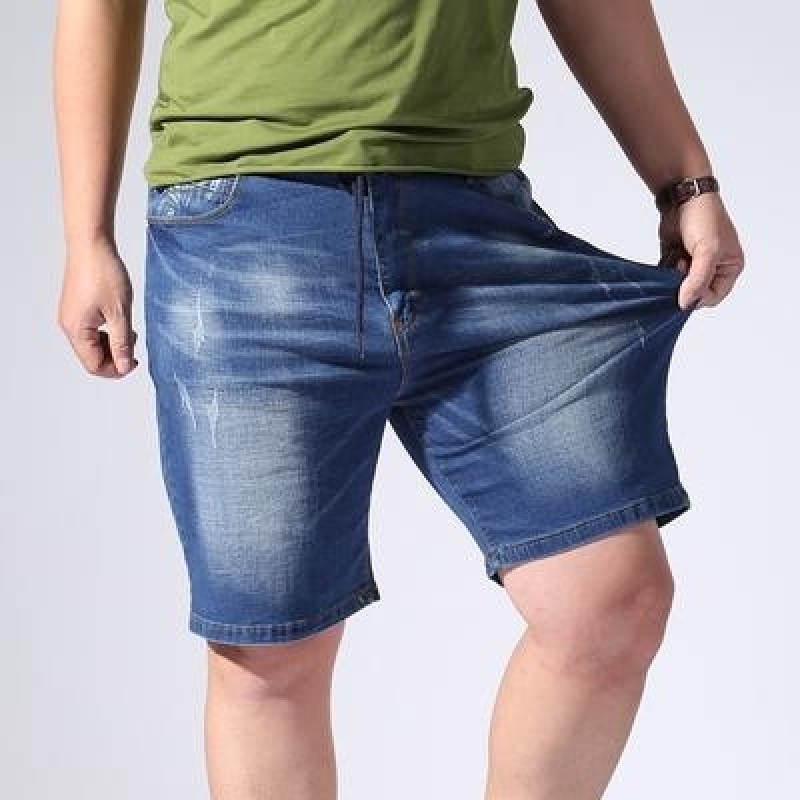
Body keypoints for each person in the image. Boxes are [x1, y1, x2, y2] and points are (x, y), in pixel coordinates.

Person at [53, 1, 745, 798]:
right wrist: (85, 237)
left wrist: (684, 179)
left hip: (479, 227)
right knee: (270, 652)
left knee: (610, 600)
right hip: (244, 221)